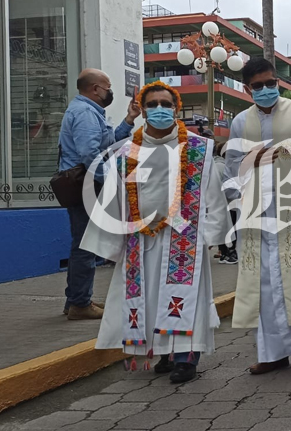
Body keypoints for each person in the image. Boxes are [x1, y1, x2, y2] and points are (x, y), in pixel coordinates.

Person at [82, 81, 232, 383]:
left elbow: (214, 195)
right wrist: (112, 240)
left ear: (176, 109)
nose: (159, 109)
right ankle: (164, 352)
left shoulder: (198, 149)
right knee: (150, 298)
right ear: (142, 110)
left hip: (185, 238)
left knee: (186, 298)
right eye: (152, 104)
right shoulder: (127, 151)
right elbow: (114, 197)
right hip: (142, 239)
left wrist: (213, 235)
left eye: (166, 104)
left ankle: (186, 358)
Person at [224, 58, 291, 374]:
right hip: (256, 212)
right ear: (247, 89)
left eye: (270, 83)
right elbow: (233, 166)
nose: (265, 89)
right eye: (258, 86)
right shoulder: (240, 122)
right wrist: (238, 201)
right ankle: (273, 352)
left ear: (278, 82)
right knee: (265, 283)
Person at [58, 68, 140, 320]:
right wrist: (113, 183)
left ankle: (76, 300)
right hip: (87, 185)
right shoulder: (84, 113)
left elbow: (108, 145)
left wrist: (129, 120)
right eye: (108, 87)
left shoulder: (90, 111)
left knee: (82, 243)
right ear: (95, 89)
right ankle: (80, 304)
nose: (110, 91)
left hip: (88, 184)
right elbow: (90, 155)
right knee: (86, 244)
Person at [213, 142, 238, 265]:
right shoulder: (223, 167)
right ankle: (230, 253)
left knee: (223, 227)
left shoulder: (216, 165)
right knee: (230, 228)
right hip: (228, 202)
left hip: (219, 203)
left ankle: (224, 253)